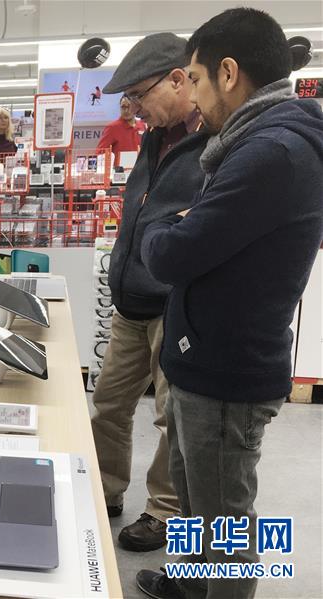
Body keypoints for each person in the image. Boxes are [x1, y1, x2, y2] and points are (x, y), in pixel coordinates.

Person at [137, 9, 323, 599]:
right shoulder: (250, 143)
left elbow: (169, 252)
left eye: (191, 79)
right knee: (196, 495)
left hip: (229, 368)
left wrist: (162, 225)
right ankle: (192, 586)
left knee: (226, 526)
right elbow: (194, 239)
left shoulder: (270, 153)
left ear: (227, 72)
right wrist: (182, 227)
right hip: (208, 357)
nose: (189, 96)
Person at [90, 32, 209, 553]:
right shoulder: (151, 139)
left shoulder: (214, 144)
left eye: (140, 95)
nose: (134, 108)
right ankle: (106, 489)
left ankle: (164, 511)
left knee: (170, 417)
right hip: (129, 303)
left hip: (170, 307)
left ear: (179, 79)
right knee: (108, 404)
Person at [96, 97, 147, 167]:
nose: (126, 110)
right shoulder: (112, 128)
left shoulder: (143, 125)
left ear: (135, 107)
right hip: (119, 174)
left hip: (140, 170)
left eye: (129, 106)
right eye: (123, 107)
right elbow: (100, 153)